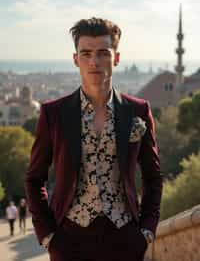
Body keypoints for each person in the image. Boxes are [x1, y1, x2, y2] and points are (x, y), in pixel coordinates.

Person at [25, 17, 163, 261]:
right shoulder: (53, 113)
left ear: (116, 58)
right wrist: (48, 236)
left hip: (126, 239)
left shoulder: (138, 110)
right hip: (69, 240)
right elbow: (34, 179)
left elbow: (153, 177)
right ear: (75, 59)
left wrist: (146, 231)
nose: (94, 61)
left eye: (103, 53)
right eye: (86, 53)